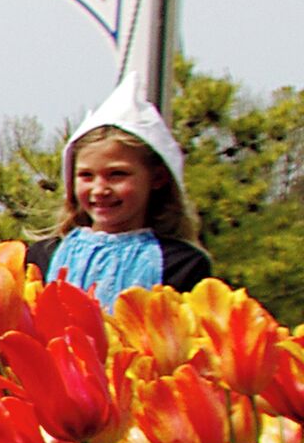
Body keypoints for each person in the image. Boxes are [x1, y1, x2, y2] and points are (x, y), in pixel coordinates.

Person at [32, 80, 210, 309]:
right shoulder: (44, 256)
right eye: (86, 176)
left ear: (157, 178)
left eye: (117, 175)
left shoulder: (180, 263)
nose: (99, 189)